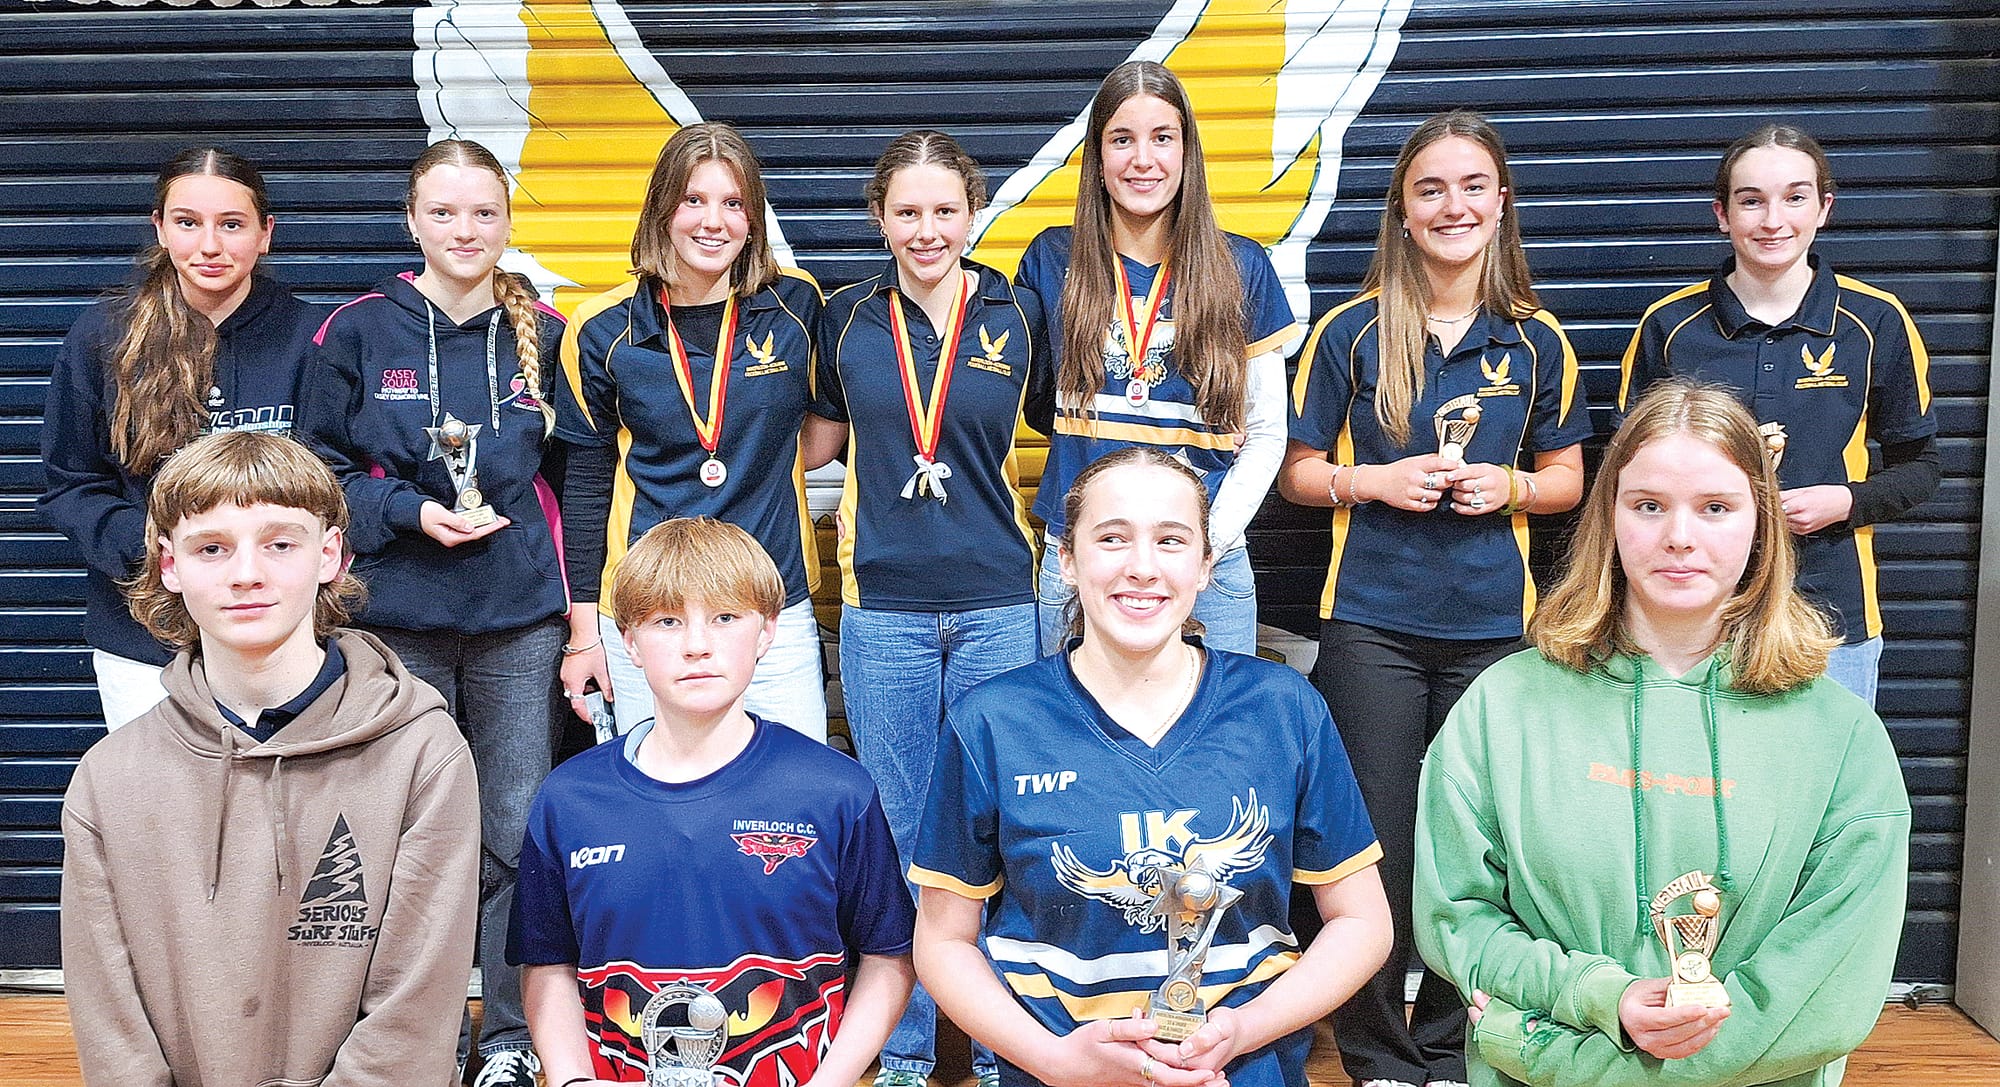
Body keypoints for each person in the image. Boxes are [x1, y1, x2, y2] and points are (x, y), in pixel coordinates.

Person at [1413, 380, 1910, 1087]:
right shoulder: (1503, 706)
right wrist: (1601, 997)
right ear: (1609, 518)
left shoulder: (1843, 738)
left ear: (1761, 522)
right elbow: (1458, 920)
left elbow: (1821, 997)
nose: (1680, 535)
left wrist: (1543, 1051)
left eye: (1715, 507)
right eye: (1649, 505)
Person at [911, 447, 1393, 1087]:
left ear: (1206, 562)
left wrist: (1242, 1030)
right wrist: (1057, 1061)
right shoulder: (993, 722)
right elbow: (942, 943)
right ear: (1066, 558)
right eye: (1112, 538)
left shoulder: (1283, 709)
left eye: (1171, 541)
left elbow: (1363, 923)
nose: (1142, 568)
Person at [1276, 109, 1589, 1087]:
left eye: (1469, 186)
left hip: (1495, 629)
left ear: (1499, 203)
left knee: (1476, 845)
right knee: (1367, 844)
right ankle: (1373, 1053)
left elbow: (1569, 480)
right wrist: (1367, 481)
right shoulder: (1350, 329)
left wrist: (1513, 489)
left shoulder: (1536, 339)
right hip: (1369, 621)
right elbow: (1292, 472)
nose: (1451, 205)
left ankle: (1450, 1046)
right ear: (1402, 213)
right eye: (1429, 189)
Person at [60, 429, 479, 1087]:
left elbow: (414, 1014)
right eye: (212, 548)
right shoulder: (109, 780)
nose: (247, 572)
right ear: (169, 565)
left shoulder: (423, 752)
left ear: (330, 554)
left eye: (280, 543)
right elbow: (111, 1028)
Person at [296, 138, 570, 1087]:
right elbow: (316, 478)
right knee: (397, 834)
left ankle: (503, 1040)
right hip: (392, 620)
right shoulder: (355, 331)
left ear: (507, 221)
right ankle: (404, 1038)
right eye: (444, 212)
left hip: (516, 625)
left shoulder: (545, 327)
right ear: (412, 221)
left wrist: (579, 621)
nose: (465, 230)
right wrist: (407, 511)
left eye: (484, 213)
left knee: (511, 829)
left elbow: (574, 485)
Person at [804, 128, 1051, 1087]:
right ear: (879, 217)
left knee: (998, 826)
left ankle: (996, 1049)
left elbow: (1075, 421)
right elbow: (814, 443)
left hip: (999, 601)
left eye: (945, 209)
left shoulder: (1018, 311)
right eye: (906, 211)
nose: (926, 228)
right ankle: (908, 1047)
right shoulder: (845, 317)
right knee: (905, 832)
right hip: (884, 611)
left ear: (972, 212)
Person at [509, 517, 915, 1086]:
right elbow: (547, 962)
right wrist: (574, 1079)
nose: (697, 645)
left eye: (725, 617)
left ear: (767, 631)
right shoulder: (570, 799)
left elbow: (889, 956)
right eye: (667, 622)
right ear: (628, 642)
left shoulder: (835, 791)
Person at [1620, 123, 1939, 706]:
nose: (1773, 220)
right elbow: (1624, 477)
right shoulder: (1670, 328)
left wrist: (1845, 501)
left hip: (1829, 611)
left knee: (1822, 791)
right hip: (1692, 613)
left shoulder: (1877, 322)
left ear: (1824, 208)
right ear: (1722, 214)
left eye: (1794, 197)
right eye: (1751, 201)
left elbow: (1921, 469)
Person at [1016, 59, 1299, 656]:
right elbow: (1034, 401)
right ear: (1096, 158)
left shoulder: (1242, 267)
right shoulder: (1050, 260)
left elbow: (1270, 432)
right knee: (1071, 742)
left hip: (1208, 563)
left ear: (1186, 152)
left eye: (1161, 138)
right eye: (1122, 139)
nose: (1142, 159)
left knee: (1216, 745)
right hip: (1080, 558)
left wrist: (1205, 543)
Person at [557, 122, 829, 741]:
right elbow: (586, 486)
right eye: (693, 200)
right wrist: (583, 635)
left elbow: (818, 435)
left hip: (772, 606)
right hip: (650, 610)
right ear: (662, 210)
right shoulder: (600, 328)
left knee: (793, 798)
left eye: (733, 203)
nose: (714, 222)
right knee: (662, 803)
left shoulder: (795, 305)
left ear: (754, 218)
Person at [41, 147, 324, 730]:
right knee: (155, 815)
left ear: (266, 233)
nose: (210, 245)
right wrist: (165, 557)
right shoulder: (105, 335)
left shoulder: (315, 338)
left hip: (281, 641)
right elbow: (72, 485)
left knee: (276, 816)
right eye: (188, 222)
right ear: (160, 229)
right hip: (143, 636)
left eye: (232, 224)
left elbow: (335, 485)